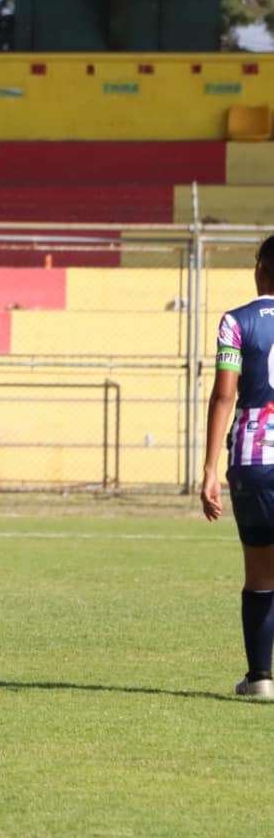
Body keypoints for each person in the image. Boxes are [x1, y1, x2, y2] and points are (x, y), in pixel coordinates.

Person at [201, 234, 274, 699]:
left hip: (253, 461)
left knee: (261, 573)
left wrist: (210, 468)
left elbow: (224, 394)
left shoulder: (236, 322)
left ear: (260, 269)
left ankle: (260, 678)